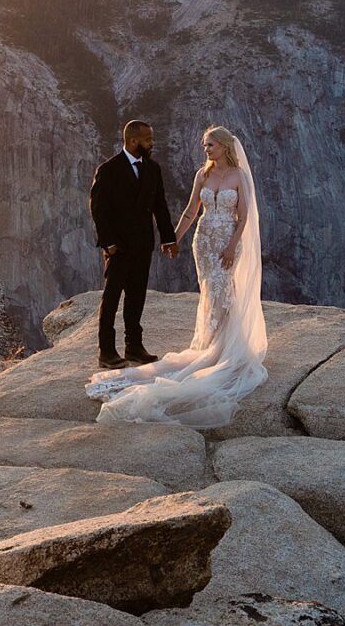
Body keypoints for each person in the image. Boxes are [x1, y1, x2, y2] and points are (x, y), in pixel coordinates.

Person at [84, 125, 268, 429]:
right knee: (209, 291)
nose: (205, 149)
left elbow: (245, 216)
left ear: (224, 146)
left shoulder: (239, 176)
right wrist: (176, 239)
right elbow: (189, 211)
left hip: (227, 242)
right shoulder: (202, 175)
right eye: (204, 145)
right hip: (204, 241)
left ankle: (225, 347)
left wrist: (233, 245)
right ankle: (206, 344)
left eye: (210, 145)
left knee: (225, 291)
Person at [88, 119, 178, 368]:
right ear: (133, 141)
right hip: (119, 247)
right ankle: (106, 352)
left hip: (143, 245)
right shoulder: (109, 169)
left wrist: (168, 238)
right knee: (112, 298)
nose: (152, 144)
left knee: (136, 296)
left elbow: (160, 206)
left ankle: (134, 347)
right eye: (148, 140)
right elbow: (98, 210)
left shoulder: (153, 169)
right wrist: (108, 243)